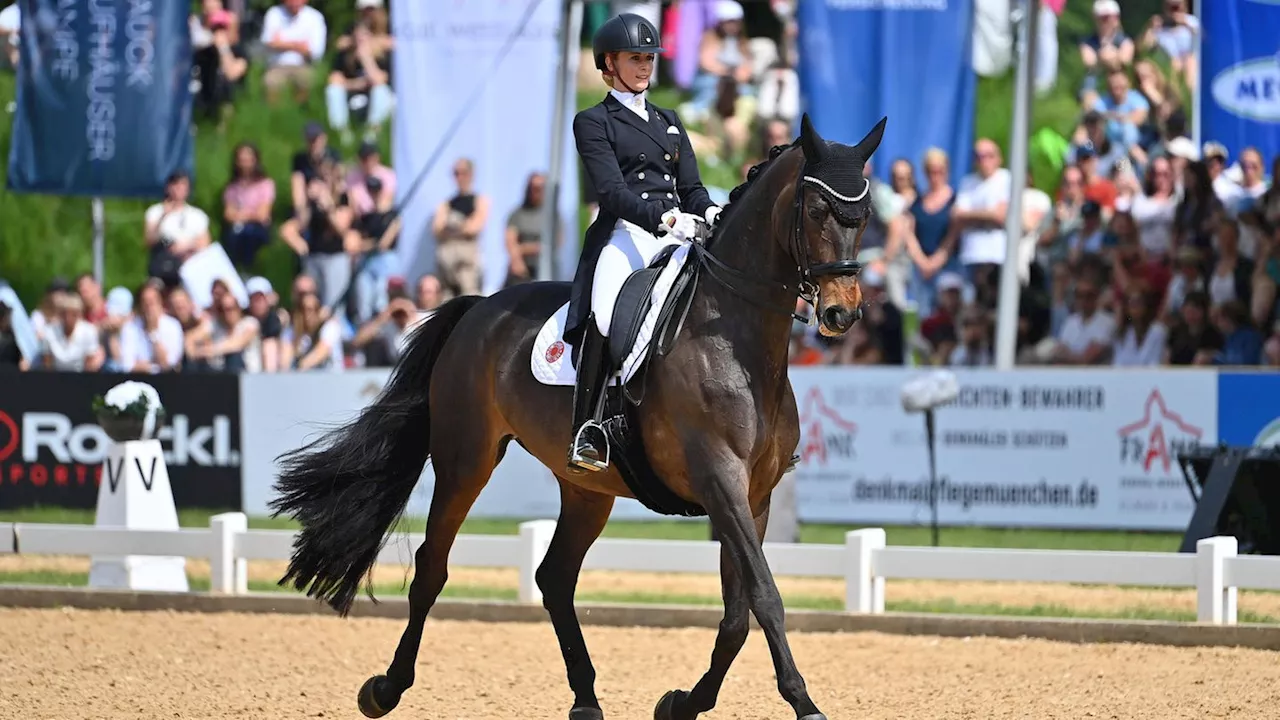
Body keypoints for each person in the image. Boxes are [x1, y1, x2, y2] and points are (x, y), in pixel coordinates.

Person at [564, 13, 721, 473]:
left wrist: (709, 212)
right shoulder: (593, 121)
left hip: (680, 233)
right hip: (628, 234)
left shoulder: (669, 121)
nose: (645, 65)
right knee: (608, 312)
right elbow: (611, 191)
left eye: (650, 57)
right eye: (636, 58)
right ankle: (587, 428)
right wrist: (665, 217)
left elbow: (691, 187)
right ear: (609, 62)